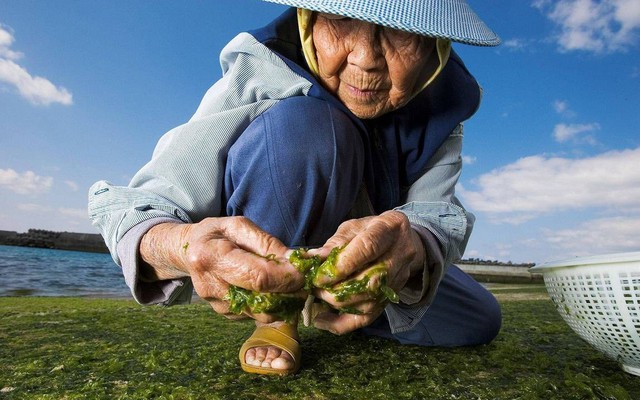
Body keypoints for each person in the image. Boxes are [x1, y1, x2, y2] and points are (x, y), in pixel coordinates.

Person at [88, 0, 503, 376]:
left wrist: (411, 247)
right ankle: (278, 316)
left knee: (478, 319)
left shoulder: (442, 104)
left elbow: (435, 210)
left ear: (436, 48)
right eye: (341, 20)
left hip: (365, 265)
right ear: (308, 20)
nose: (365, 59)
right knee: (307, 128)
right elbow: (142, 206)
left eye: (401, 33)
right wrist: (181, 244)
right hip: (275, 244)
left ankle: (341, 303)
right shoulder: (261, 69)